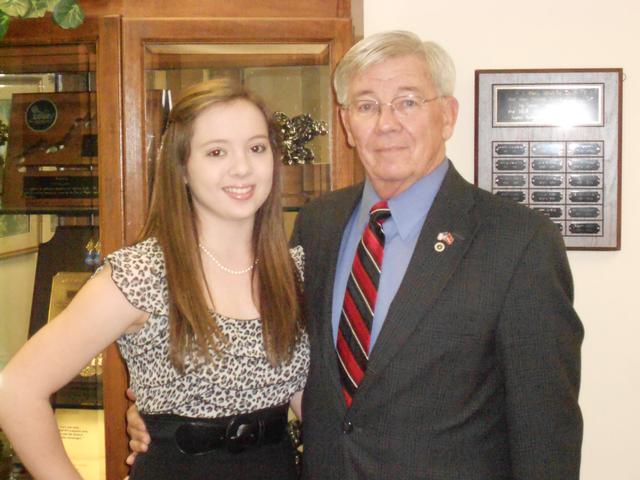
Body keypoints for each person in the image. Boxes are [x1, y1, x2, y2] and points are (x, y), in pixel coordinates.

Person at [127, 31, 584, 479]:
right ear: (346, 124)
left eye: (408, 101)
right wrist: (169, 420)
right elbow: (277, 364)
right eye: (366, 106)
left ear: (447, 115)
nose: (386, 124)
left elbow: (546, 433)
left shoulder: (517, 242)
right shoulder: (318, 226)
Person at [0, 79, 309, 480]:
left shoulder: (293, 270)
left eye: (256, 147)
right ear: (181, 167)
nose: (242, 167)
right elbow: (16, 391)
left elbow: (316, 407)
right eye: (217, 151)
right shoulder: (142, 274)